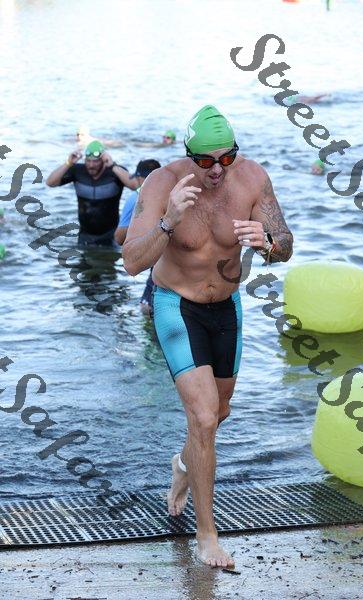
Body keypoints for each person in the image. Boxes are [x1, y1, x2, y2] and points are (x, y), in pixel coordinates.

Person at [122, 105, 293, 568]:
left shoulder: (253, 178)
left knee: (218, 415)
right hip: (177, 305)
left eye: (226, 158)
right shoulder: (162, 184)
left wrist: (269, 243)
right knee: (201, 417)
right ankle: (207, 537)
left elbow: (285, 244)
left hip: (228, 308)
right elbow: (132, 262)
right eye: (205, 161)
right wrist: (168, 220)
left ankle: (183, 466)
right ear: (188, 155)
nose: (217, 170)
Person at [46, 140, 137, 247]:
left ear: (103, 160)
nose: (91, 165)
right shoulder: (77, 171)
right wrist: (68, 163)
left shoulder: (115, 172)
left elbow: (136, 186)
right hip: (85, 235)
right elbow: (50, 182)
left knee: (110, 258)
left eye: (95, 161)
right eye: (88, 161)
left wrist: (113, 166)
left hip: (111, 235)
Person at [114, 159, 161, 316]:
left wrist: (139, 223)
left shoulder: (136, 197)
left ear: (140, 178)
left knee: (146, 307)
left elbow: (119, 238)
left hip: (157, 258)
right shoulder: (173, 192)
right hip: (178, 258)